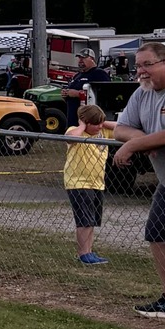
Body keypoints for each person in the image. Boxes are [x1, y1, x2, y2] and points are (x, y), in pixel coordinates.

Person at [112, 40, 165, 318]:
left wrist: (131, 146)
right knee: (158, 234)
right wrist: (141, 140)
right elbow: (120, 129)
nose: (140, 71)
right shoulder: (142, 93)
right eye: (137, 65)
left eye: (146, 65)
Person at [63, 103, 113, 267]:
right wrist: (82, 124)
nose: (99, 127)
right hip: (78, 182)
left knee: (92, 220)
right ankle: (83, 253)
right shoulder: (75, 130)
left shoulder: (103, 131)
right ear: (84, 122)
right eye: (95, 123)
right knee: (84, 220)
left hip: (97, 183)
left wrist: (102, 122)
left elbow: (122, 127)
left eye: (100, 123)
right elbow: (70, 138)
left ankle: (89, 250)